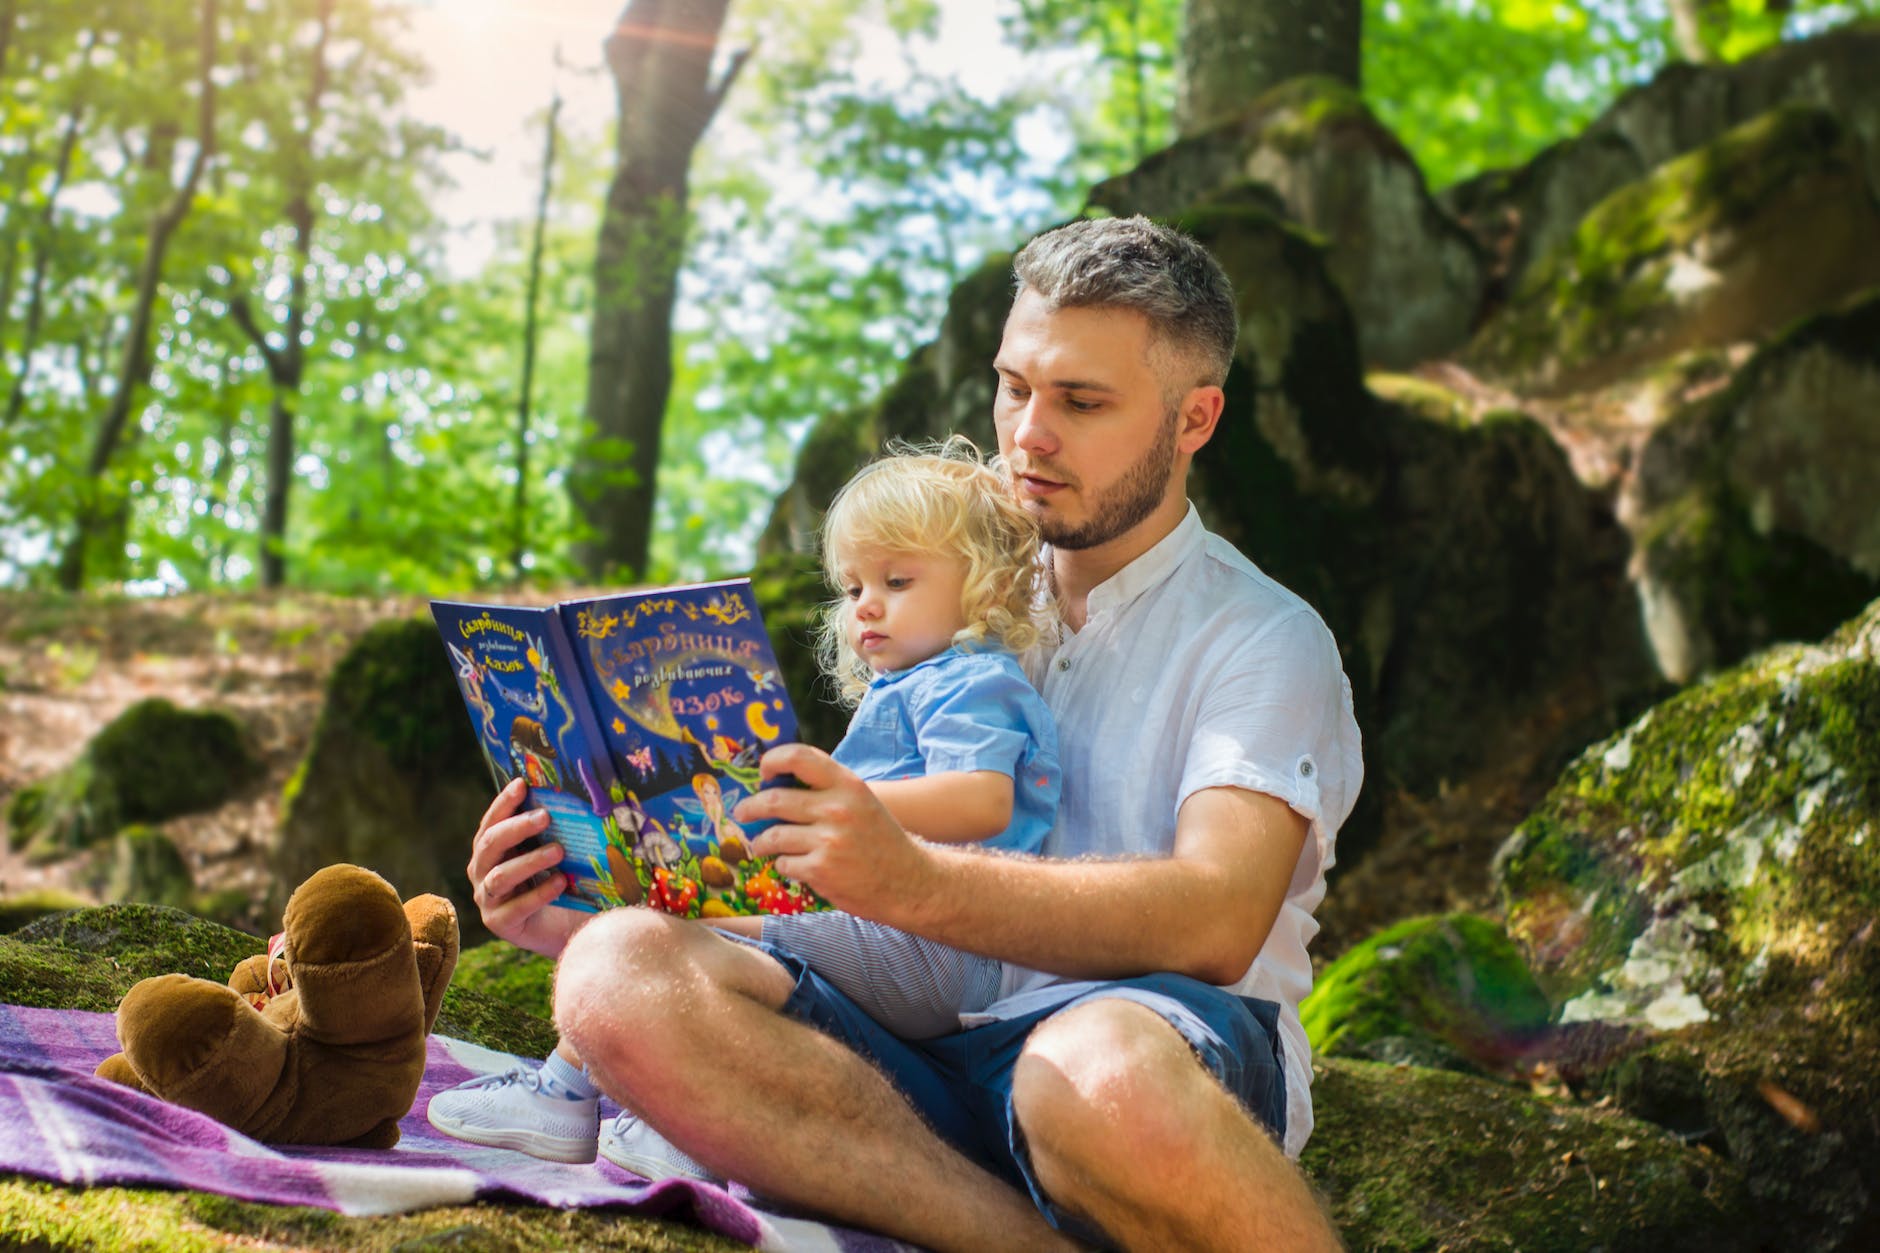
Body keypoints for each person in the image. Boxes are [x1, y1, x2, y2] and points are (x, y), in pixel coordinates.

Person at [468, 215, 1360, 1251]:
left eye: (1080, 400)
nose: (1028, 431)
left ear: (1193, 418)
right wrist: (584, 890)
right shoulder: (944, 584)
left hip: (1146, 1052)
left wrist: (905, 875)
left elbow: (1216, 916)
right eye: (1014, 385)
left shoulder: (1261, 636)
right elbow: (843, 884)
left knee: (1093, 1071)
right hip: (911, 1045)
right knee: (614, 970)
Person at [429, 443, 1062, 1171]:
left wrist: (837, 802)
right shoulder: (916, 685)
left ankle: (580, 1098)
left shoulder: (975, 679)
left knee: (684, 927)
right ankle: (634, 1106)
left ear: (990, 584)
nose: (868, 606)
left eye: (897, 578)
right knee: (671, 916)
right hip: (889, 930)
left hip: (936, 947)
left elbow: (983, 800)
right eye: (852, 588)